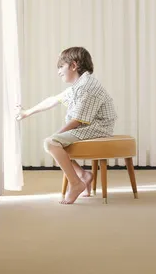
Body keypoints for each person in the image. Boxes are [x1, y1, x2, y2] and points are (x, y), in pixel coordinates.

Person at [16, 47, 117, 204]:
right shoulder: (79, 85)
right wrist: (27, 112)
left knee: (51, 143)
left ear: (74, 65)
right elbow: (53, 100)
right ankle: (84, 175)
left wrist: (55, 137)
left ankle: (76, 184)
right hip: (88, 126)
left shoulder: (87, 87)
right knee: (55, 142)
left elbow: (77, 120)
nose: (58, 72)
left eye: (61, 67)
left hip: (98, 128)